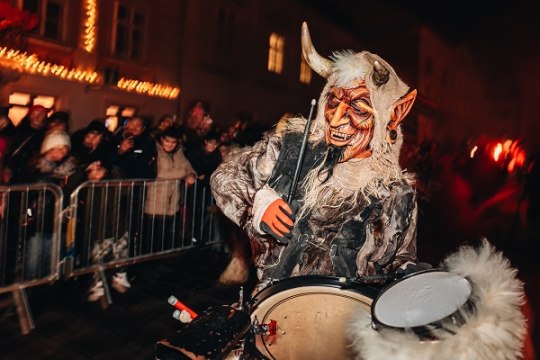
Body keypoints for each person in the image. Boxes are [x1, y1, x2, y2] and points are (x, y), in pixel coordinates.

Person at [211, 23, 418, 284]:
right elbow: (225, 176)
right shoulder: (291, 149)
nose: (337, 118)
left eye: (358, 107)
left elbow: (401, 261)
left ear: (391, 116)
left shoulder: (397, 193)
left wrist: (415, 281)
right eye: (333, 101)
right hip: (276, 308)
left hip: (348, 316)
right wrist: (257, 202)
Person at [143, 127, 197, 253]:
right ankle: (148, 263)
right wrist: (183, 174)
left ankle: (162, 260)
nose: (170, 145)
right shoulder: (154, 151)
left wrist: (191, 174)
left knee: (166, 235)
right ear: (162, 139)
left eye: (173, 142)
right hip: (154, 200)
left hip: (172, 201)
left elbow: (188, 167)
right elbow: (160, 173)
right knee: (151, 236)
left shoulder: (178, 152)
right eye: (167, 141)